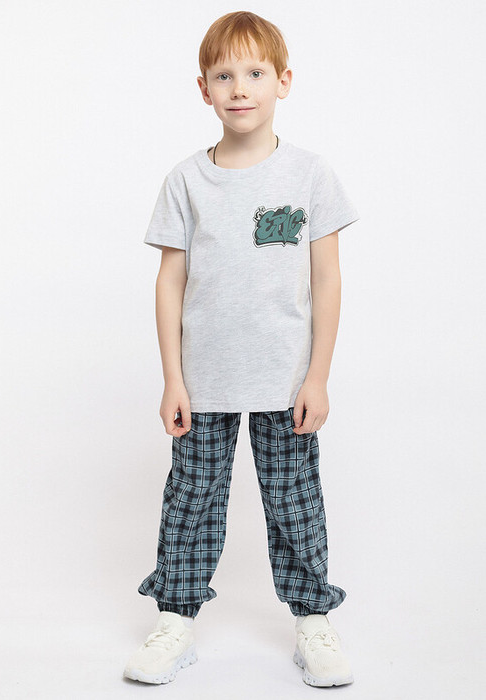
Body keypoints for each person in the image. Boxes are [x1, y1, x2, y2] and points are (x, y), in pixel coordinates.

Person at [124, 10, 360, 688]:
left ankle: (313, 619)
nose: (239, 88)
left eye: (255, 73)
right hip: (203, 382)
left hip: (286, 382)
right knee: (191, 501)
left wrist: (317, 376)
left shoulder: (309, 175)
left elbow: (326, 280)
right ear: (203, 89)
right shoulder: (185, 181)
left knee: (294, 503)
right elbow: (170, 282)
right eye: (223, 75)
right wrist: (172, 378)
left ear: (283, 81)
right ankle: (175, 619)